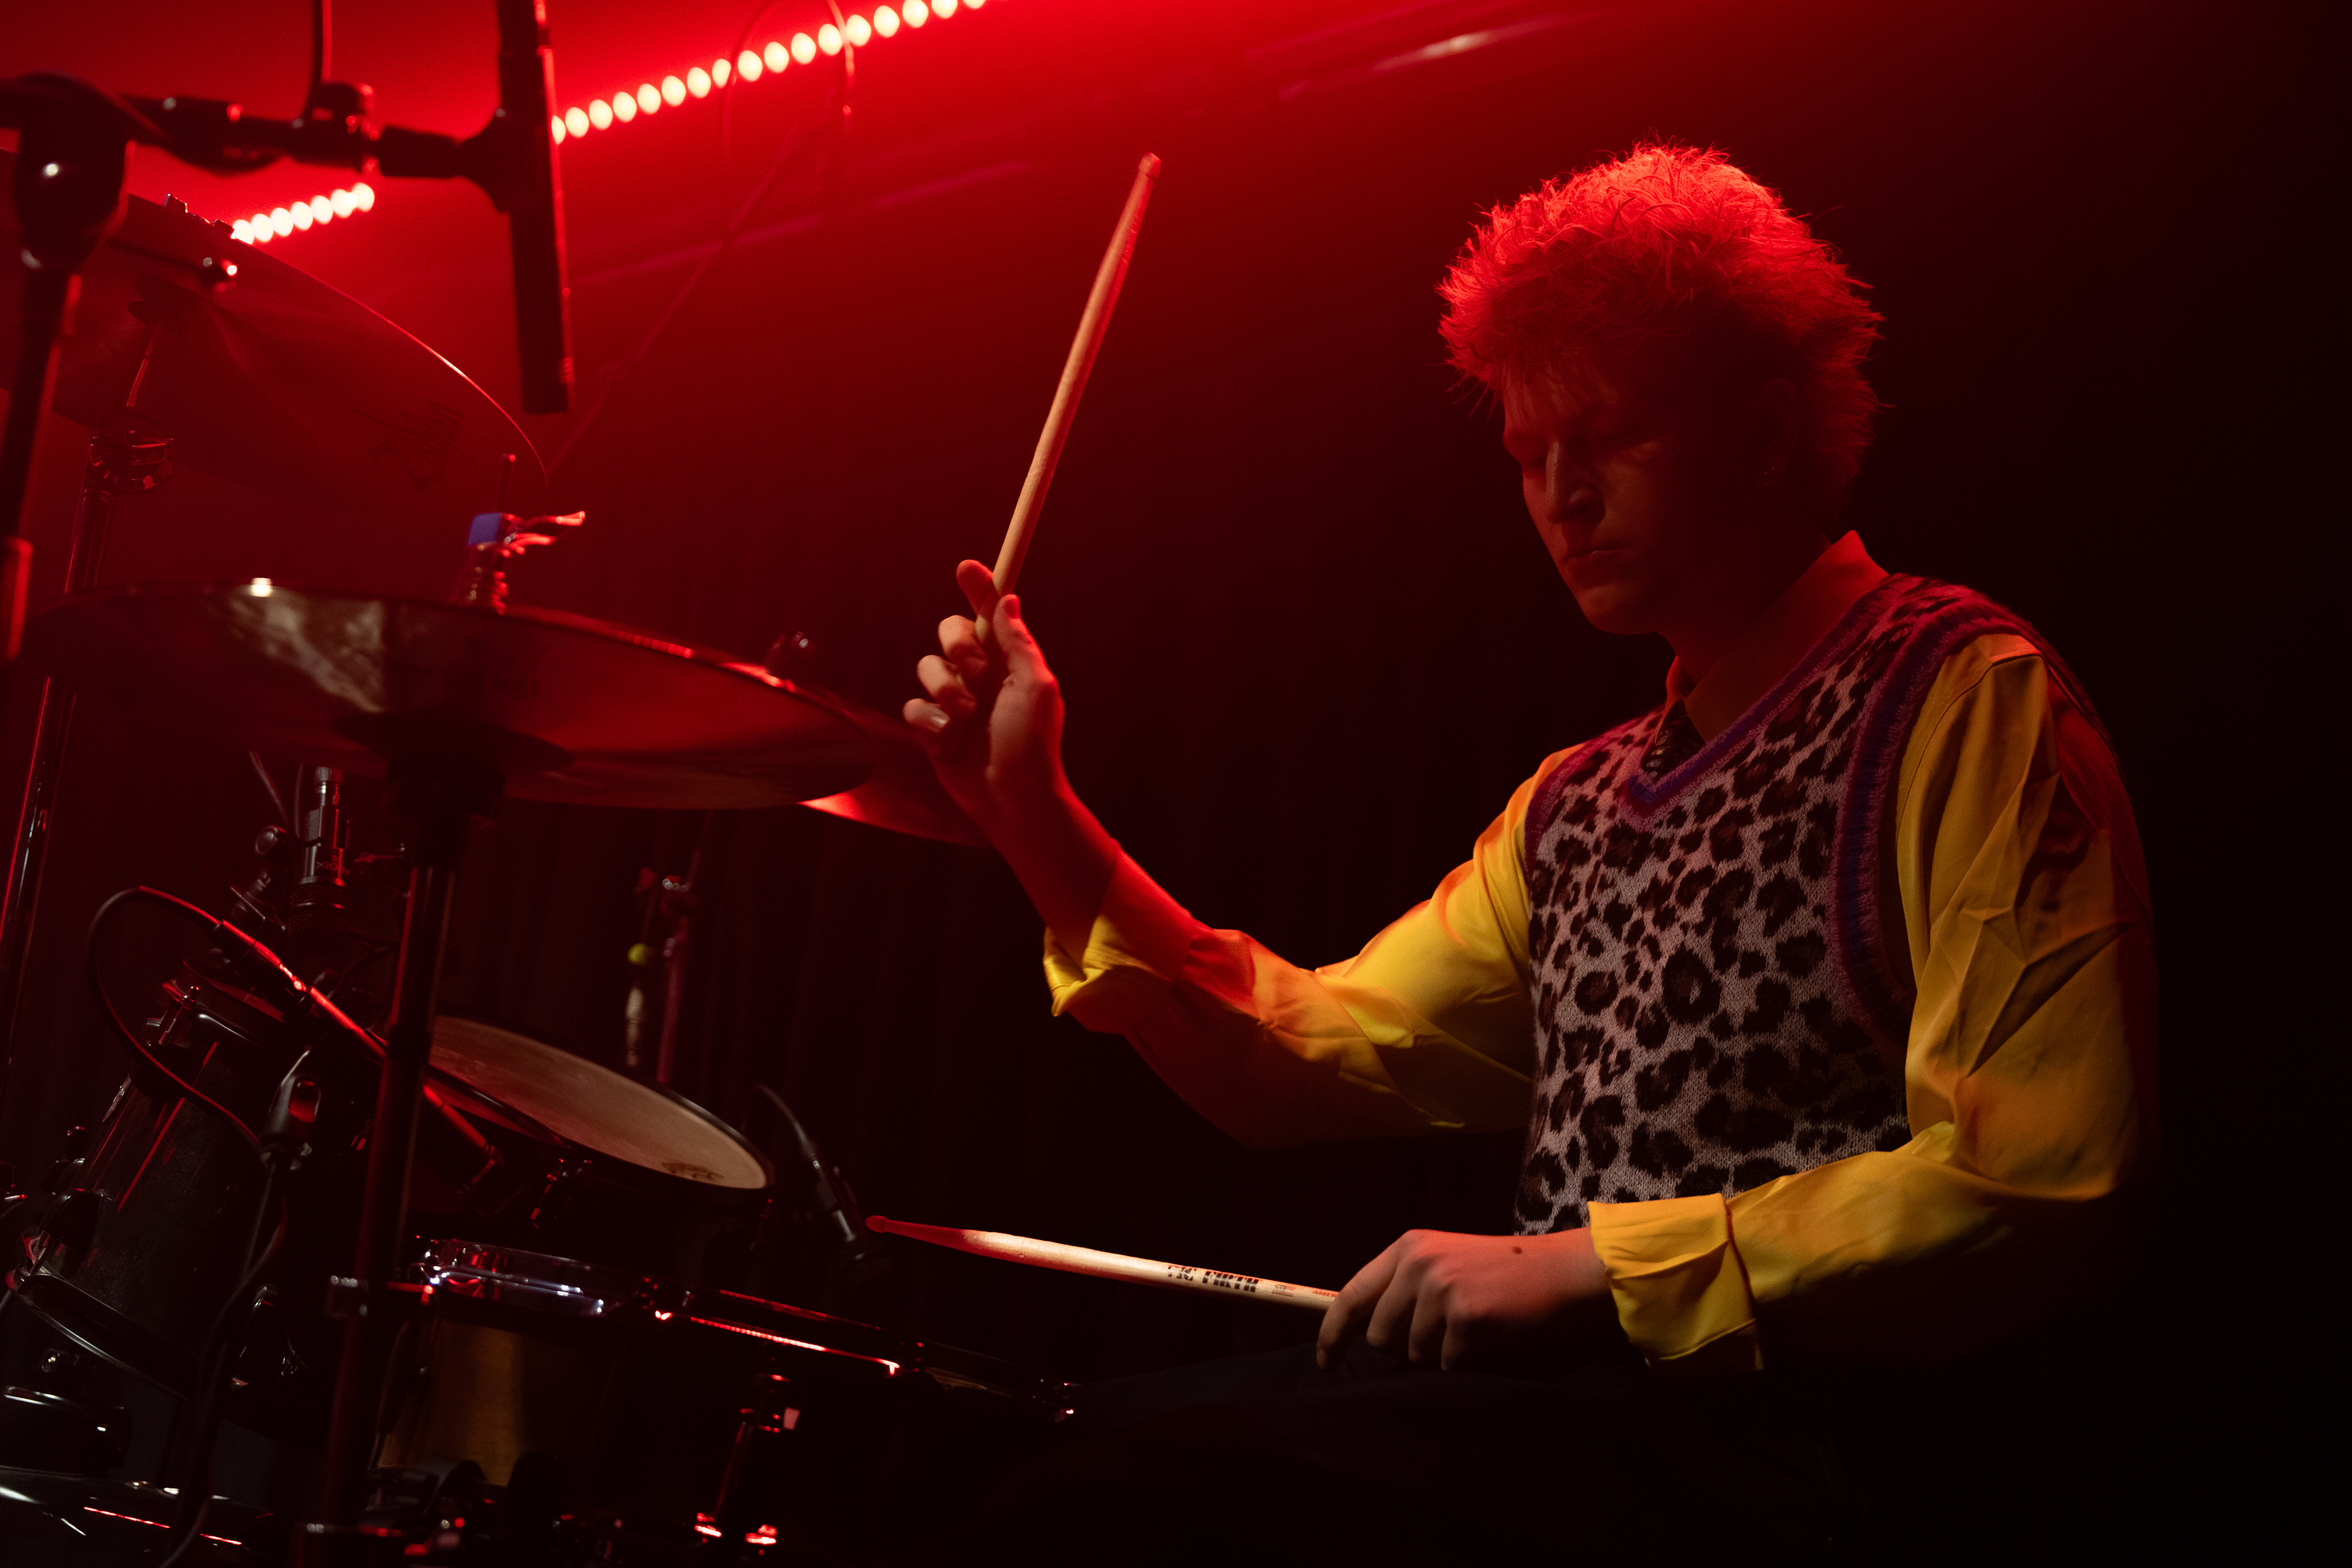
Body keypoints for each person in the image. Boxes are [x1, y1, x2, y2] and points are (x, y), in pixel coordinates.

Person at [903, 145, 2155, 1559]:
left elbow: (2042, 1177)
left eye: (1607, 435)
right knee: (1015, 1444)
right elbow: (1307, 1053)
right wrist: (1032, 812)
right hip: (1575, 1434)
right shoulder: (1578, 802)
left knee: (1125, 1499)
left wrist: (1598, 1266)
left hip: (1812, 1444)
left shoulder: (1960, 693)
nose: (1560, 494)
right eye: (1525, 455)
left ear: (1761, 431)